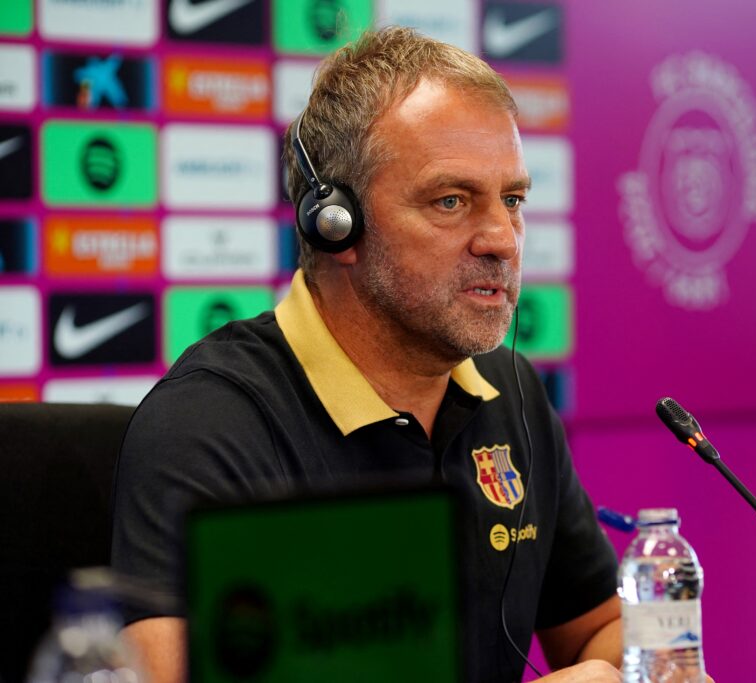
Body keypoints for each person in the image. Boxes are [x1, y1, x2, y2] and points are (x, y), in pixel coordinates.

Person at [110, 27, 623, 683]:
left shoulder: (511, 391)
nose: (502, 237)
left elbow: (600, 622)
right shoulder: (207, 428)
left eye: (513, 199)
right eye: (451, 200)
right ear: (336, 224)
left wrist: (625, 666)